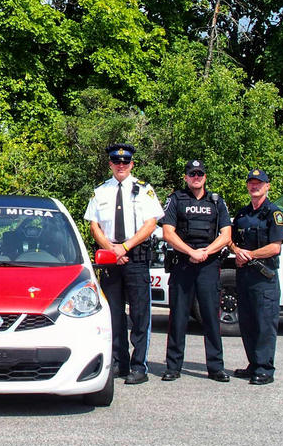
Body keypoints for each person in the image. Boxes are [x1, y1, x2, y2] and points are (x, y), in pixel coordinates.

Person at [84, 143, 162, 384]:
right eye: (116, 162)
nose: (121, 166)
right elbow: (94, 225)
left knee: (140, 314)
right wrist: (111, 249)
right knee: (113, 314)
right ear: (110, 164)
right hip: (110, 258)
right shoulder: (100, 191)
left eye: (125, 162)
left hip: (136, 256)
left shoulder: (144, 190)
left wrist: (125, 247)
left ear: (131, 164)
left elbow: (150, 224)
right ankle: (119, 362)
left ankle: (139, 366)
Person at [160, 159, 232, 382]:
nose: (196, 177)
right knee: (178, 316)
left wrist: (205, 252)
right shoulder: (175, 200)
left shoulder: (217, 201)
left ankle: (216, 367)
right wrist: (191, 252)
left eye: (200, 174)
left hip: (208, 265)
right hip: (183, 263)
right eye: (192, 174)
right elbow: (168, 233)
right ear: (186, 177)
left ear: (205, 177)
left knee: (211, 316)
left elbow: (227, 235)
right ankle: (173, 366)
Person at [231, 168, 283, 385]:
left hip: (264, 277)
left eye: (259, 183)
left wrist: (249, 255)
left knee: (265, 324)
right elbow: (233, 240)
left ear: (267, 186)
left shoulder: (274, 213)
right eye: (251, 183)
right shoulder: (243, 215)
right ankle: (254, 363)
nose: (254, 186)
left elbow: (275, 247)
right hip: (245, 276)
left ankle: (265, 369)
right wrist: (236, 251)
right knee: (247, 323)